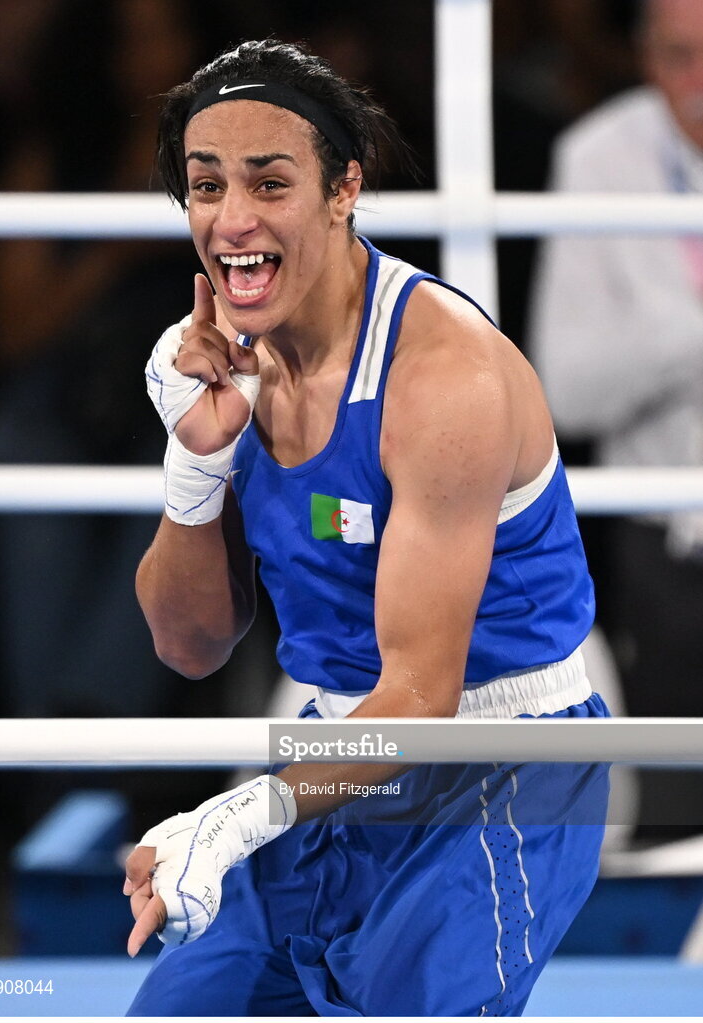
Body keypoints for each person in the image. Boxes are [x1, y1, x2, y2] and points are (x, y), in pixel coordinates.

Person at [123, 39, 610, 1017]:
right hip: (341, 743)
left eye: (270, 183)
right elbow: (188, 646)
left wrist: (231, 819)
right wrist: (196, 461)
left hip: (498, 759)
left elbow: (423, 698)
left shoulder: (443, 379)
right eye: (205, 186)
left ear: (343, 189)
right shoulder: (216, 360)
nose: (233, 220)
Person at [529, 0, 703, 831]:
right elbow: (566, 389)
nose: (698, 84)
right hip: (661, 541)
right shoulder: (599, 156)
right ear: (643, 57)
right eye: (678, 56)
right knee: (672, 819)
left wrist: (658, 343)